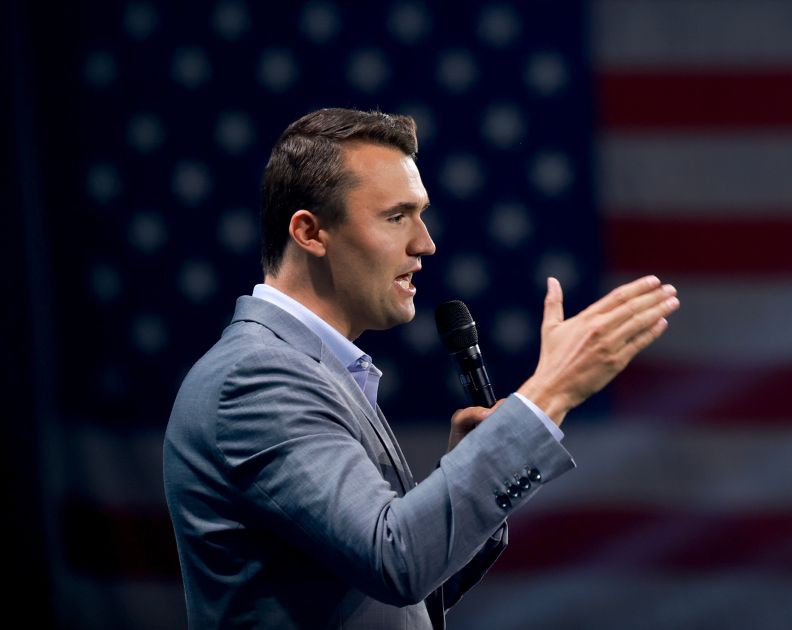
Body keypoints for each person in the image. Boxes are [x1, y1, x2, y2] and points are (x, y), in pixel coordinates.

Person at [162, 108, 680, 629]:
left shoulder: (312, 371)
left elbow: (403, 598)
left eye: (422, 214)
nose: (424, 243)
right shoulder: (255, 380)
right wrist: (552, 391)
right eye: (395, 217)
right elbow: (397, 562)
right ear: (310, 231)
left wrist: (468, 465)